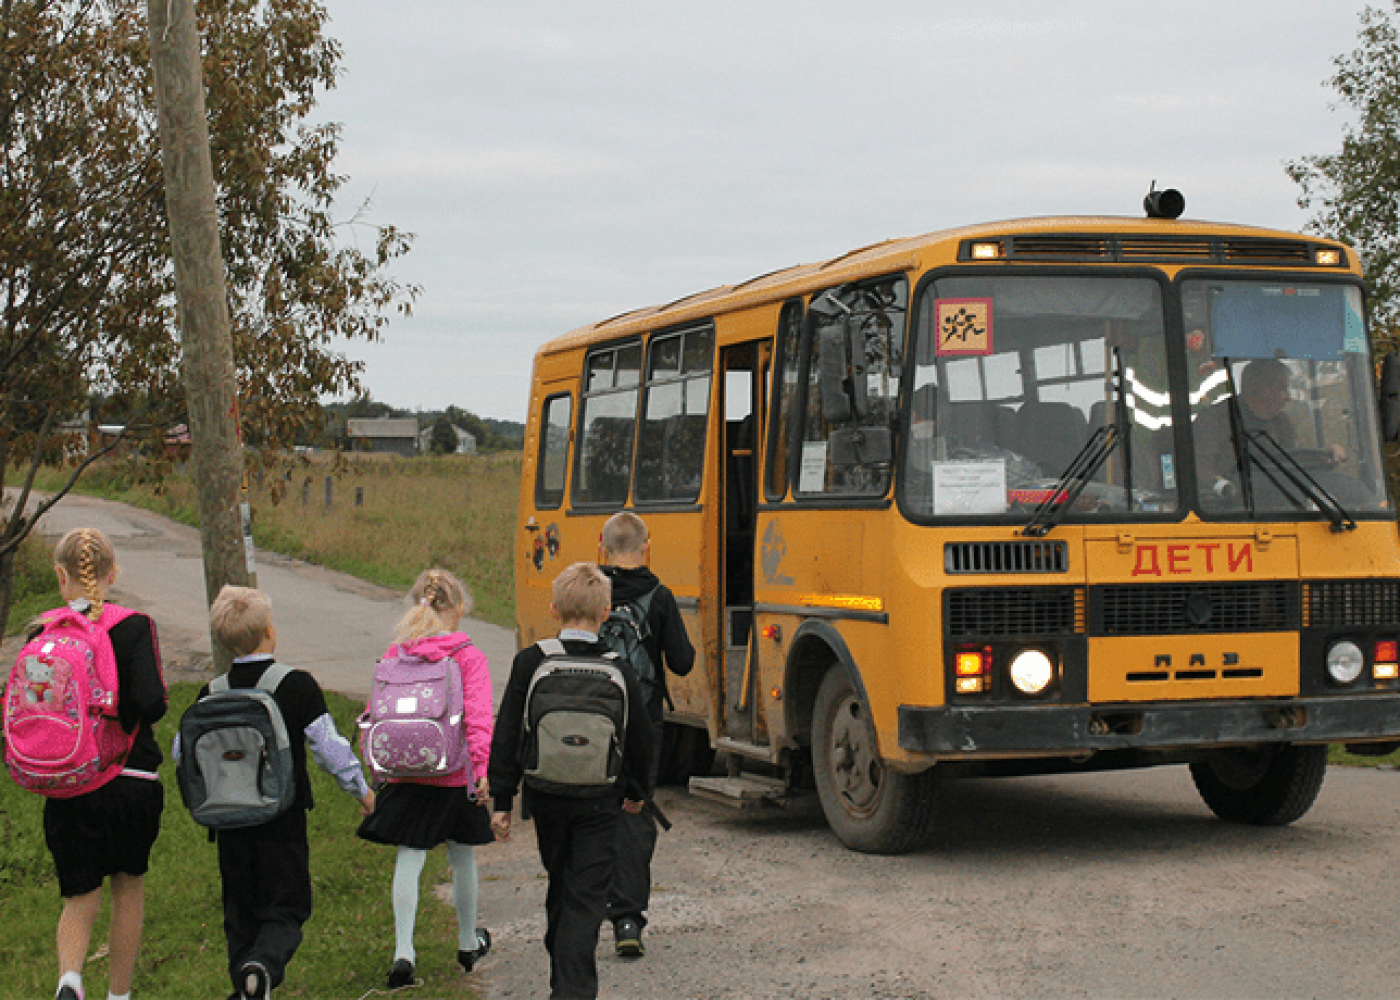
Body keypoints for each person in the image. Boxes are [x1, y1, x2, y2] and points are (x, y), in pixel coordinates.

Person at [182, 586, 374, 1000]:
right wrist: (361, 789)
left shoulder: (210, 694)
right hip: (281, 821)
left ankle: (247, 982)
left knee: (239, 914)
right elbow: (328, 748)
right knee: (286, 908)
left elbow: (185, 755)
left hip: (228, 823)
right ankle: (263, 967)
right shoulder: (295, 686)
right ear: (270, 632)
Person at [487, 562, 655, 1000]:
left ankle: (564, 977)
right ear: (605, 611)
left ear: (555, 607)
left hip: (546, 796)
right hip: (601, 800)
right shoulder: (618, 666)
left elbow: (507, 730)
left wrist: (502, 799)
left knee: (561, 882)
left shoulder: (532, 660)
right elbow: (640, 738)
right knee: (586, 894)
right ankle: (572, 989)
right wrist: (638, 793)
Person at [34, 528, 166, 1000]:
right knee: (127, 888)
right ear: (113, 574)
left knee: (78, 895)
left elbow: (41, 714)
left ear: (59, 576)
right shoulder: (134, 626)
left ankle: (70, 978)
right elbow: (151, 703)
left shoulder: (44, 633)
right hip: (131, 776)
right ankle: (119, 995)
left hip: (70, 781)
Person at [356, 569, 495, 989]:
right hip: (451, 775)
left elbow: (374, 713)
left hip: (405, 773)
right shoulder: (467, 655)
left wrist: (377, 766)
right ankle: (468, 942)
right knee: (462, 857)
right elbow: (479, 718)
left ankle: (403, 952)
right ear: (459, 607)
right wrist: (481, 769)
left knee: (410, 858)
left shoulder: (396, 652)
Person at [598, 511, 694, 959]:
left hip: (591, 718)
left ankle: (582, 908)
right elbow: (683, 662)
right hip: (642, 722)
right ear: (646, 547)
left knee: (591, 810)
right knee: (634, 811)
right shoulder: (660, 597)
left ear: (602, 549)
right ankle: (628, 919)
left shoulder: (589, 590)